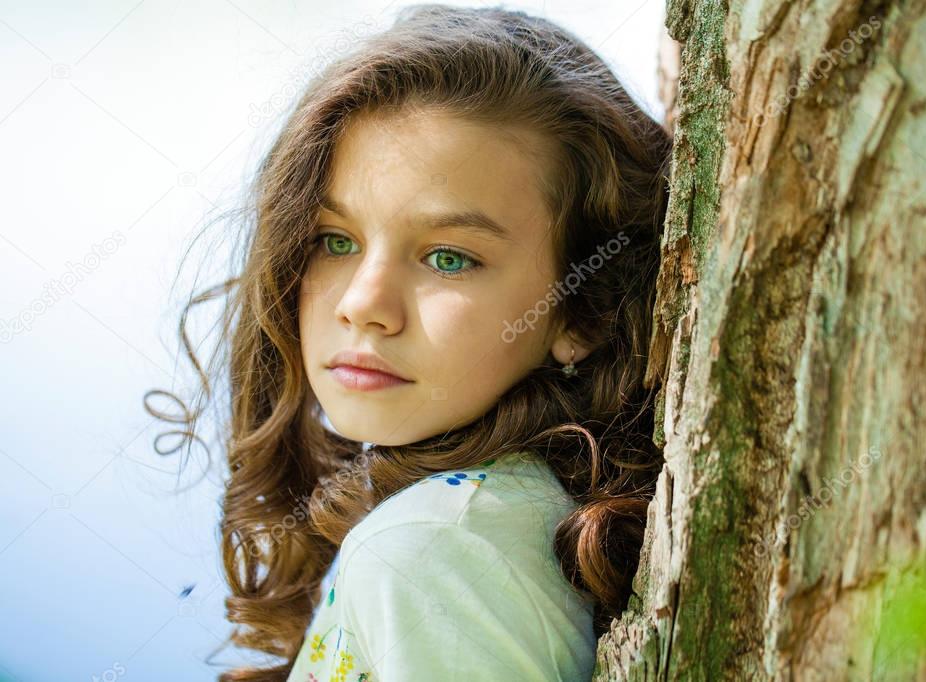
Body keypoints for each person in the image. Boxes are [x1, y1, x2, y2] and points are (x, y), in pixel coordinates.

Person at [147, 4, 672, 680]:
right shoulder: (492, 519)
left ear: (583, 313)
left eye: (448, 257)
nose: (365, 305)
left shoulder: (430, 546)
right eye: (334, 242)